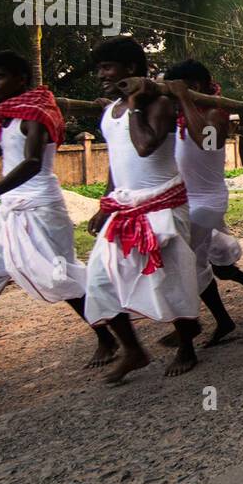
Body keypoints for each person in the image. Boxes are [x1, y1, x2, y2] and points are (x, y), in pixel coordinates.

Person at [0, 50, 112, 398]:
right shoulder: (4, 117)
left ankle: (111, 336)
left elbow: (33, 163)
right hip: (8, 211)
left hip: (41, 208)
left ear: (21, 79)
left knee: (59, 277)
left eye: (0, 77)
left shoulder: (38, 109)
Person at [85, 38, 201, 383]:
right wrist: (104, 205)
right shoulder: (110, 112)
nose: (102, 76)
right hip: (124, 208)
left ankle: (186, 346)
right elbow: (116, 162)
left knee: (169, 279)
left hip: (163, 205)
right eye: (100, 69)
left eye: (107, 68)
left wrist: (135, 103)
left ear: (131, 70)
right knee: (99, 280)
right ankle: (133, 350)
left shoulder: (160, 104)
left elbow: (145, 146)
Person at [164, 60, 243, 348]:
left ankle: (189, 325)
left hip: (206, 203)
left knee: (178, 259)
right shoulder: (182, 113)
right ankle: (227, 312)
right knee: (209, 262)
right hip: (185, 200)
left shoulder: (217, 112)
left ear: (193, 87)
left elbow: (208, 142)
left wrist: (182, 98)